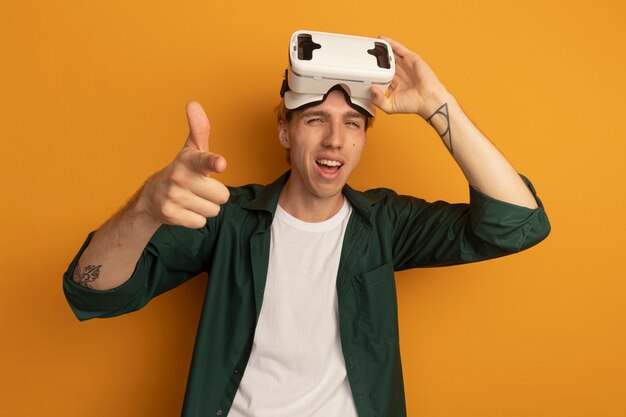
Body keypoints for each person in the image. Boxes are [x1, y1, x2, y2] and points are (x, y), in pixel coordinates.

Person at [64, 35, 550, 417]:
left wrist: (437, 104)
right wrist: (147, 207)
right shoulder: (228, 217)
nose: (335, 140)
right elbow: (93, 292)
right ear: (285, 130)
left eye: (353, 124)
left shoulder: (385, 223)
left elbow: (516, 224)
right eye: (316, 120)